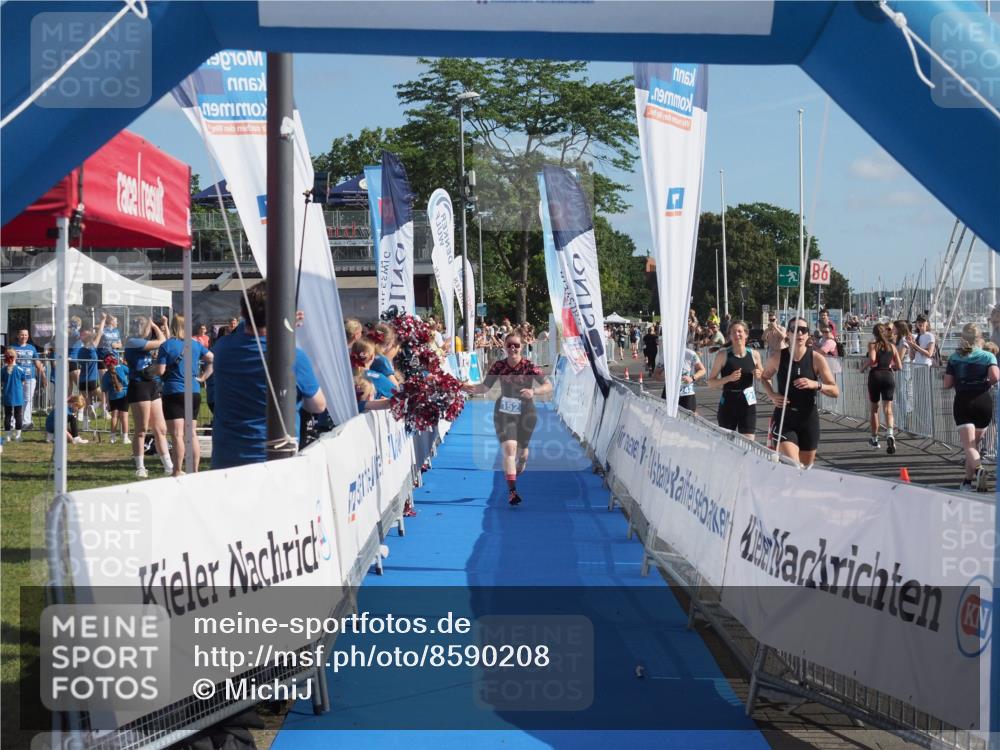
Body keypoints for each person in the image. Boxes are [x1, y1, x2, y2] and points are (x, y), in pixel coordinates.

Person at [211, 283, 326, 470]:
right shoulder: (293, 356)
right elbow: (318, 405)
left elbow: (247, 330)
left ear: (242, 312)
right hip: (273, 462)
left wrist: (279, 322)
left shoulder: (222, 348)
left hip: (226, 458)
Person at [462, 331, 552, 506]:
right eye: (509, 344)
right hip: (504, 412)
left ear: (522, 347)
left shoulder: (529, 366)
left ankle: (522, 462)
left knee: (522, 452)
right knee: (510, 449)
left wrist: (534, 391)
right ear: (504, 346)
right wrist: (466, 387)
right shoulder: (498, 366)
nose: (512, 348)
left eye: (516, 345)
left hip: (527, 412)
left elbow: (548, 385)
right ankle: (512, 491)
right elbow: (484, 387)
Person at [762, 317, 839, 467]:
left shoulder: (816, 359)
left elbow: (835, 390)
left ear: (808, 335)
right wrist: (772, 394)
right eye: (795, 330)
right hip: (785, 417)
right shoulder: (777, 357)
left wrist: (816, 384)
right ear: (788, 334)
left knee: (805, 471)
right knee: (794, 466)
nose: (799, 334)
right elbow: (764, 378)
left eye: (803, 330)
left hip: (808, 419)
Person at [944, 323, 1000, 492]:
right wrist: (984, 383)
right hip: (983, 400)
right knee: (974, 445)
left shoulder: (954, 357)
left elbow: (947, 384)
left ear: (963, 338)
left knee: (968, 446)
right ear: (979, 338)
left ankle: (979, 470)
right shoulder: (988, 356)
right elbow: (995, 377)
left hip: (964, 401)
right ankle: (967, 482)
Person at [157, 314, 214, 476]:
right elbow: (212, 359)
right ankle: (194, 470)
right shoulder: (195, 345)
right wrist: (203, 377)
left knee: (176, 435)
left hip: (174, 391)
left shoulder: (166, 345)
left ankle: (177, 470)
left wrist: (152, 370)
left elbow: (161, 370)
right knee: (192, 433)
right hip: (194, 390)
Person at [124, 316, 172, 478]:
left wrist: (154, 325)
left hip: (152, 385)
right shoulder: (132, 342)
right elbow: (163, 342)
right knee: (141, 429)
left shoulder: (144, 341)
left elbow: (164, 341)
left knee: (160, 429)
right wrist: (154, 326)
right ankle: (140, 467)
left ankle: (168, 466)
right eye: (147, 327)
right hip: (138, 386)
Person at [707, 320, 764, 441]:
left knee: (748, 444)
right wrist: (728, 378)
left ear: (746, 334)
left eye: (740, 331)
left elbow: (763, 377)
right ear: (730, 336)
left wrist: (759, 376)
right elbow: (710, 383)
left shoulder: (754, 355)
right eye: (734, 332)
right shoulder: (723, 355)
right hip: (728, 403)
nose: (737, 334)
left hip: (748, 403)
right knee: (727, 444)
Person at [862, 323, 903, 453]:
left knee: (875, 409)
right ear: (885, 332)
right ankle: (890, 433)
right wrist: (890, 366)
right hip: (888, 375)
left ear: (874, 334)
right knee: (888, 408)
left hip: (875, 375)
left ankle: (874, 440)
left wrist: (863, 367)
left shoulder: (872, 345)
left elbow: (873, 359)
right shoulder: (892, 346)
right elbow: (899, 366)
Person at [9, 329, 46, 427]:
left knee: (28, 399)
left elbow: (37, 362)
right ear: (18, 335)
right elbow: (8, 363)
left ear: (28, 336)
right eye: (22, 335)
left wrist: (43, 375)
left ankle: (26, 421)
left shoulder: (32, 348)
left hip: (30, 377)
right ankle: (13, 422)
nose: (24, 337)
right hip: (16, 378)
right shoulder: (12, 347)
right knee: (15, 399)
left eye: (26, 335)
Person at [100, 354, 130, 444]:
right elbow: (130, 373)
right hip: (124, 395)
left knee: (114, 417)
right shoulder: (121, 367)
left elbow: (104, 390)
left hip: (113, 397)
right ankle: (125, 438)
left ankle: (112, 438)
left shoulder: (105, 376)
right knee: (124, 417)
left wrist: (106, 403)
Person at [75, 325, 101, 428]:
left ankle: (85, 425)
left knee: (86, 401)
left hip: (82, 380)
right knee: (104, 397)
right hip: (92, 380)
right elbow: (99, 335)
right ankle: (94, 406)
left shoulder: (80, 351)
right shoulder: (92, 349)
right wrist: (102, 322)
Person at [2, 350, 26, 441]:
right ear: (15, 357)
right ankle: (18, 435)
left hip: (7, 395)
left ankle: (8, 436)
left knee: (8, 415)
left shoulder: (3, 370)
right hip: (18, 395)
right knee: (18, 415)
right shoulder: (20, 369)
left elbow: (3, 381)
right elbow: (23, 381)